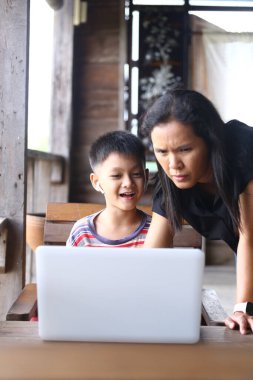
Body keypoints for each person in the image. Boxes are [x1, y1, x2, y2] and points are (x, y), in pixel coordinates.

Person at [141, 88, 253, 335]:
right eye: (161, 152)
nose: (173, 164)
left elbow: (250, 236)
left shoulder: (242, 146)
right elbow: (151, 259)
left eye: (184, 149)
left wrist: (244, 308)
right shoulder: (171, 185)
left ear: (210, 139)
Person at [66, 130, 151, 248]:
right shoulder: (82, 233)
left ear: (146, 177)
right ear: (96, 182)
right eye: (116, 175)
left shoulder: (154, 231)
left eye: (136, 174)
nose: (128, 183)